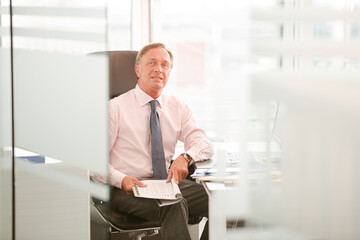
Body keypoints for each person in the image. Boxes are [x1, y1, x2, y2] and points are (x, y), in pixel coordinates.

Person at [99, 42, 213, 240]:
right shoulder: (115, 108)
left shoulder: (177, 107)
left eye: (165, 65)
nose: (158, 69)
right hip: (127, 189)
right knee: (174, 205)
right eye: (151, 63)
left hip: (166, 184)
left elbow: (203, 143)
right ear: (138, 70)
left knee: (225, 202)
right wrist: (122, 179)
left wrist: (185, 157)